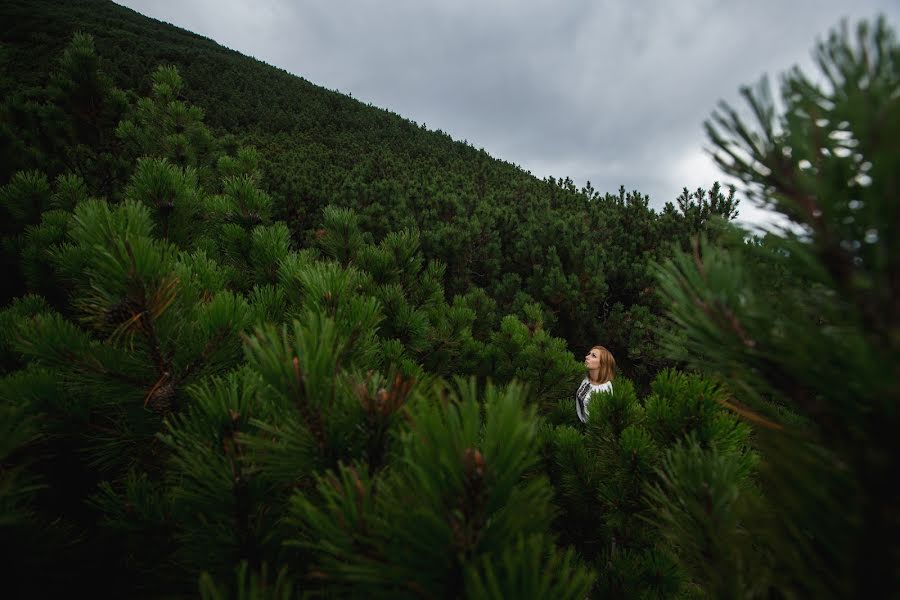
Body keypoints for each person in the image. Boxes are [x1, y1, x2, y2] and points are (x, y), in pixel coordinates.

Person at [575, 345, 615, 424]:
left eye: (593, 356)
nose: (587, 357)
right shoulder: (586, 380)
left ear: (602, 363)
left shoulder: (604, 388)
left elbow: (602, 418)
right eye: (589, 354)